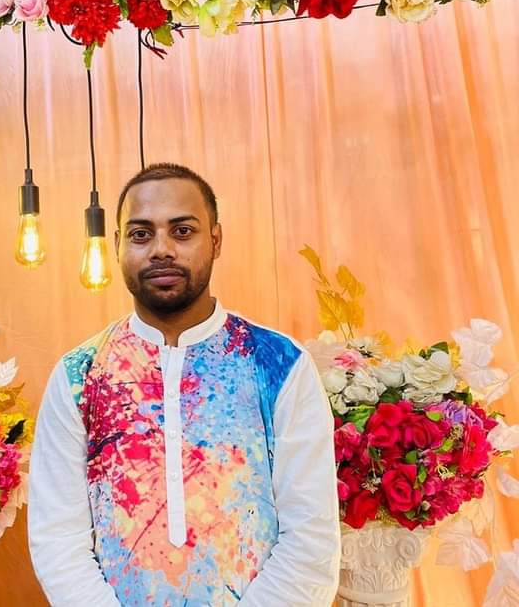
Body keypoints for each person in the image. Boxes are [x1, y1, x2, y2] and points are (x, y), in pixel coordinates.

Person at [28, 163, 341, 606]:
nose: (162, 250)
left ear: (215, 240)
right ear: (117, 245)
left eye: (182, 231)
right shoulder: (79, 375)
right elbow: (57, 539)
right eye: (141, 234)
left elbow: (311, 538)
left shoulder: (279, 364)